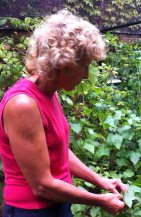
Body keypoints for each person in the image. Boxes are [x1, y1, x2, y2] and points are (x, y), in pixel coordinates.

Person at [0, 9, 128, 217]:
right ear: (61, 64)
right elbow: (41, 186)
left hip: (59, 203)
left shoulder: (50, 92)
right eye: (84, 66)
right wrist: (99, 201)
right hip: (32, 211)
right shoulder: (23, 104)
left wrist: (99, 180)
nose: (87, 75)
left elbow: (57, 150)